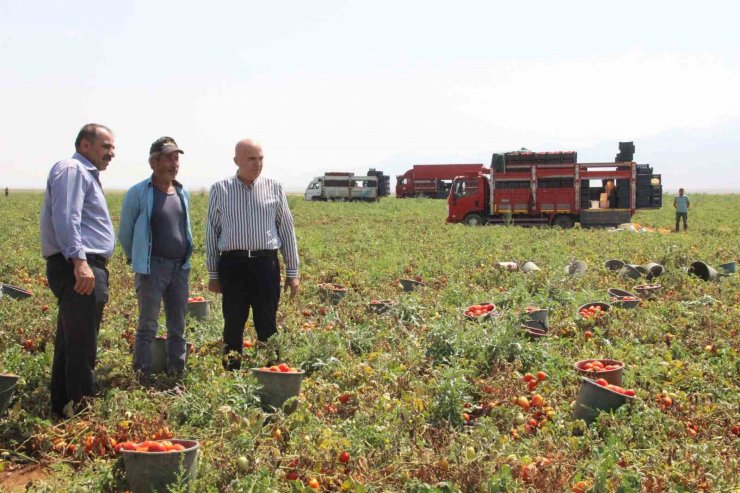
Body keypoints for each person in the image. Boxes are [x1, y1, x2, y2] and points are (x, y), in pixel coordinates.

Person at [40, 123, 116, 417]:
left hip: (82, 264)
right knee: (83, 342)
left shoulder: (85, 174)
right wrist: (80, 261)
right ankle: (84, 412)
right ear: (85, 145)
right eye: (105, 146)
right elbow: (66, 217)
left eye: (112, 148)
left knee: (71, 339)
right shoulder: (73, 169)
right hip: (78, 266)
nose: (112, 153)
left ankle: (61, 408)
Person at [206, 138, 299, 370]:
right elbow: (212, 232)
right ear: (237, 160)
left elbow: (286, 229)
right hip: (233, 265)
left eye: (260, 159)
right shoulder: (220, 189)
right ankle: (232, 374)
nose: (257, 164)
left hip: (265, 264)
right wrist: (213, 273)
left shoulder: (274, 187)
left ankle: (272, 373)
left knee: (267, 322)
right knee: (233, 323)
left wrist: (293, 271)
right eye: (251, 159)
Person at [118, 137, 193, 378]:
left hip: (179, 268)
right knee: (148, 325)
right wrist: (138, 259)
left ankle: (176, 373)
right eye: (169, 158)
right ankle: (143, 374)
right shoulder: (139, 192)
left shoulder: (182, 192)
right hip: (152, 267)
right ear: (154, 162)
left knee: (177, 326)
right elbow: (125, 233)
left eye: (176, 158)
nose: (174, 163)